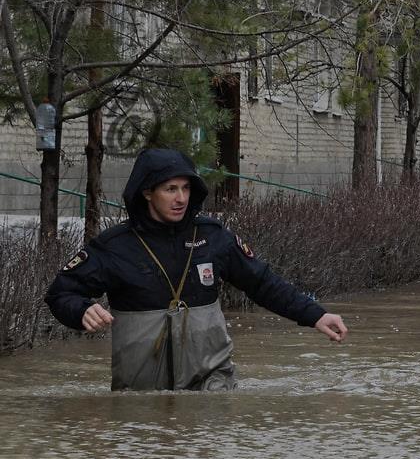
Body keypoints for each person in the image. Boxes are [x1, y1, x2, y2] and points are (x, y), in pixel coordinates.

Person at [45, 147, 348, 391]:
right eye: (170, 189)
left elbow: (263, 283)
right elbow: (60, 294)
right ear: (147, 192)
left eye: (186, 188)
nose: (181, 198)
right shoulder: (115, 247)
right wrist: (81, 310)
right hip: (140, 392)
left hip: (212, 382)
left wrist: (315, 314)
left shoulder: (214, 237)